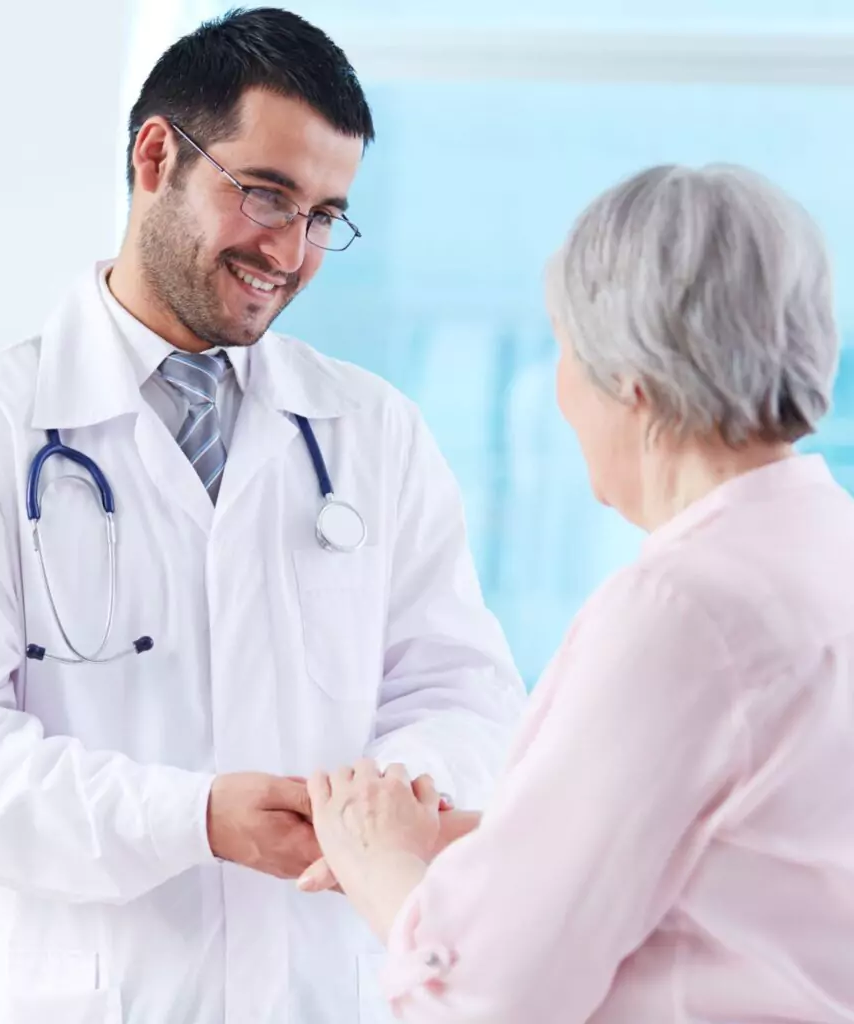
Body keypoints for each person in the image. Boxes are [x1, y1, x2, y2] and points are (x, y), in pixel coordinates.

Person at [0, 9, 522, 1024]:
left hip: (320, 989)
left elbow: (466, 693)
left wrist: (373, 808)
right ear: (156, 154)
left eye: (323, 215)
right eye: (266, 194)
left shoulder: (373, 431)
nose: (291, 250)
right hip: (84, 994)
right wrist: (192, 819)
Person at [302, 163, 854, 1023]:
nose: (557, 389)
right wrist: (506, 840)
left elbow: (484, 997)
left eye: (563, 348)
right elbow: (751, 865)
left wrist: (377, 860)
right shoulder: (826, 550)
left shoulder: (682, 612)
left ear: (631, 381)